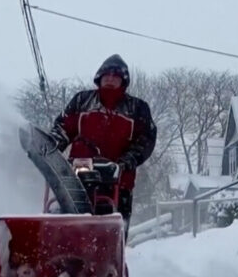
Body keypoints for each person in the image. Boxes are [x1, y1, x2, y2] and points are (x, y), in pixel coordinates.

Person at [47, 54, 156, 236]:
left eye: (116, 76)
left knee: (113, 231)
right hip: (77, 177)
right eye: (107, 75)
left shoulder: (137, 108)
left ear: (124, 81)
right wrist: (52, 145)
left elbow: (146, 139)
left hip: (118, 181)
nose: (111, 79)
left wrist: (129, 159)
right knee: (66, 223)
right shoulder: (82, 101)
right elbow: (63, 128)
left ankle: (110, 260)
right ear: (99, 78)